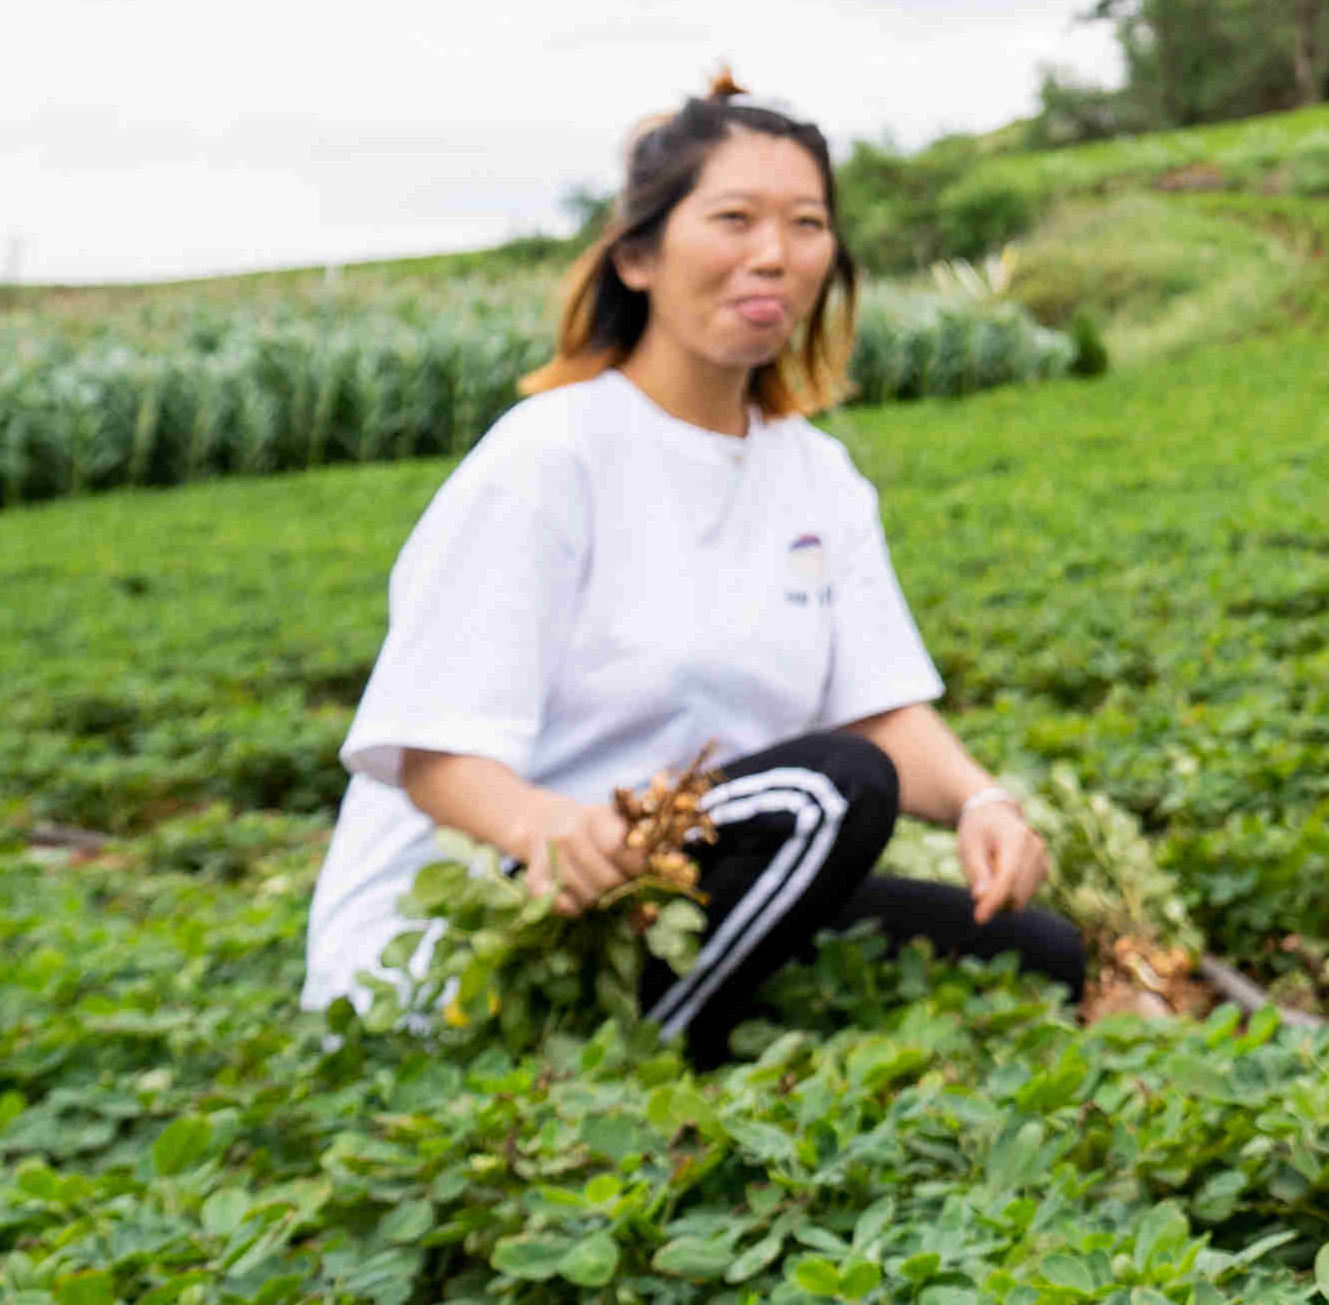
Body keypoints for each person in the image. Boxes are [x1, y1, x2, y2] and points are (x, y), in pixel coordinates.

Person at [304, 74, 1086, 1063]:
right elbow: (432, 752)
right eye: (734, 218)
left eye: (806, 223)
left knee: (1036, 949)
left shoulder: (818, 474)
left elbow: (883, 704)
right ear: (637, 255)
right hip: (492, 915)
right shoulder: (549, 455)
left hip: (674, 888)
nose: (774, 253)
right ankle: (638, 1068)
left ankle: (664, 1019)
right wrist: (544, 823)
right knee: (833, 791)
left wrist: (983, 801)